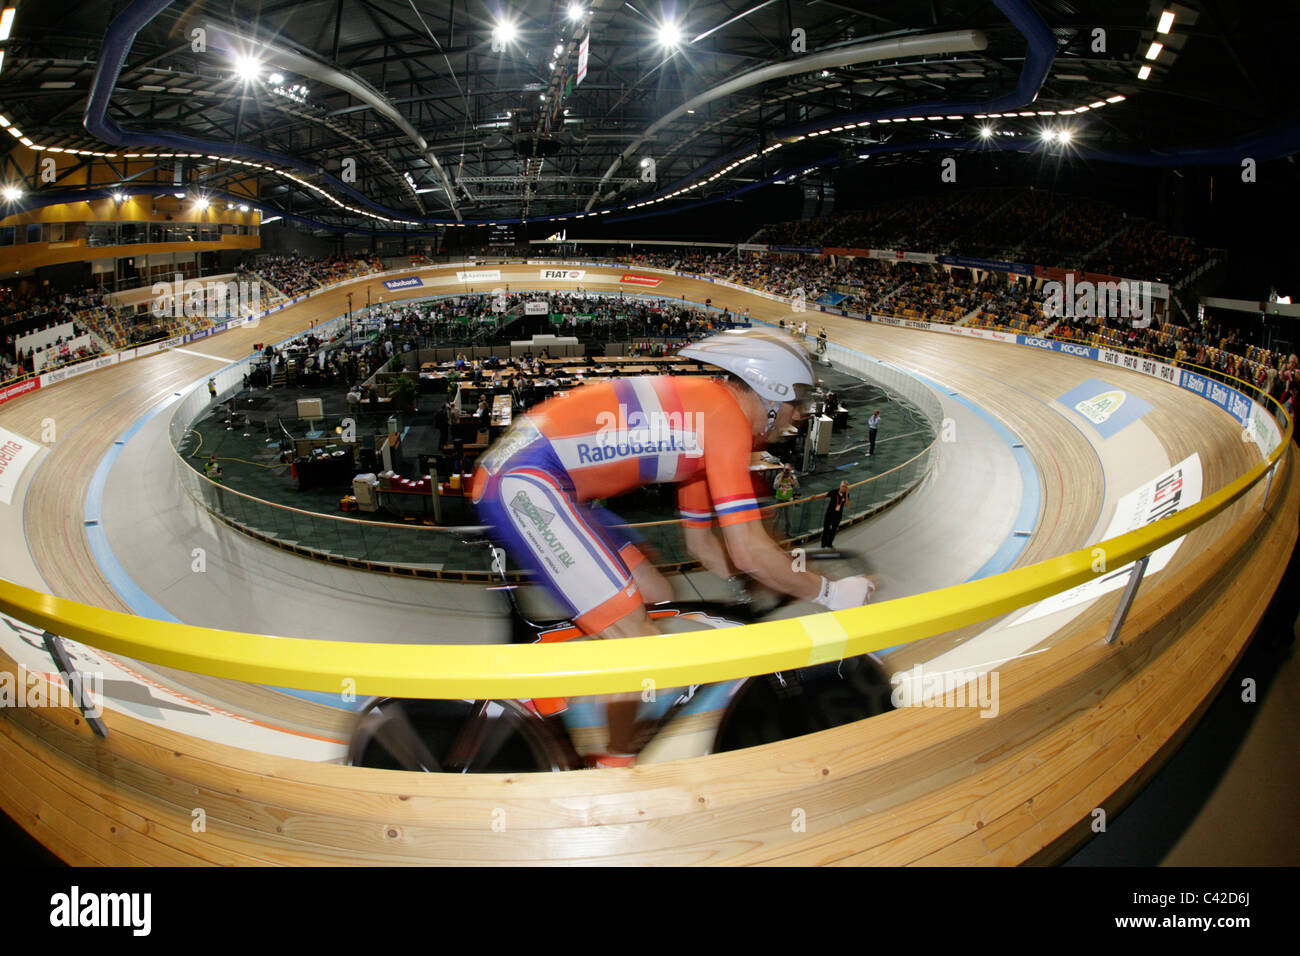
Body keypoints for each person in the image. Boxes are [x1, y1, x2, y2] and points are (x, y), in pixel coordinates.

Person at [472, 329, 876, 768]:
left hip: (544, 479)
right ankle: (614, 764)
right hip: (527, 483)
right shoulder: (726, 419)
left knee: (653, 591)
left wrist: (768, 586)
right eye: (797, 401)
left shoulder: (707, 415)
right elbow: (748, 551)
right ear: (772, 391)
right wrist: (829, 593)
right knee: (640, 643)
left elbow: (703, 544)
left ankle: (589, 683)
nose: (797, 415)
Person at [821, 480, 849, 548]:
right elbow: (825, 495)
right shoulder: (834, 492)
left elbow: (847, 505)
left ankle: (829, 543)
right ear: (840, 486)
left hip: (838, 515)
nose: (843, 488)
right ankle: (823, 543)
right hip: (830, 513)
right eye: (843, 486)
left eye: (845, 487)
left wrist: (847, 494)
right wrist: (815, 497)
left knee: (834, 530)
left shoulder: (846, 494)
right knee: (826, 528)